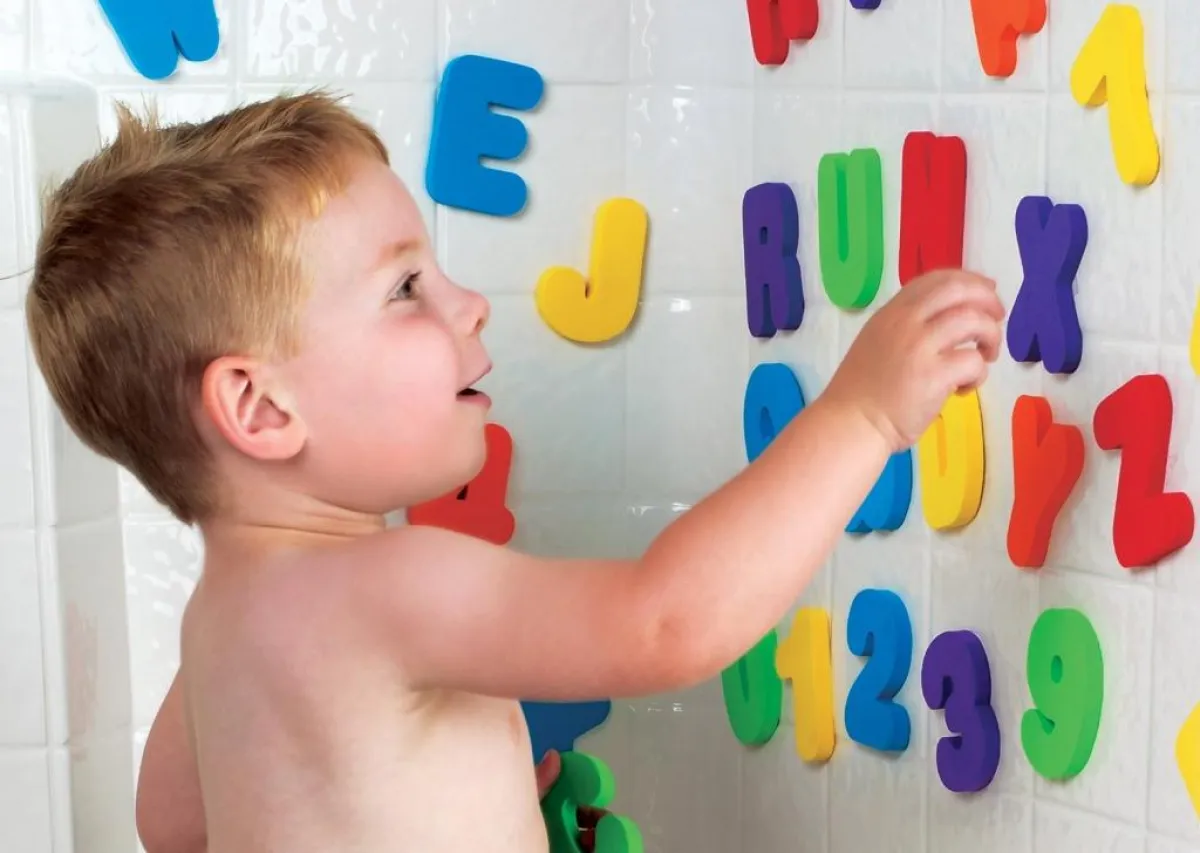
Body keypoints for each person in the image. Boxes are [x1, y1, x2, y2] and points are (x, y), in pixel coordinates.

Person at [25, 91, 1004, 853]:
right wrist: (861, 415)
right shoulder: (390, 583)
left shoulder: (223, 622)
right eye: (406, 287)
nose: (470, 304)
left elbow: (175, 825)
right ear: (261, 407)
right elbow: (664, 621)